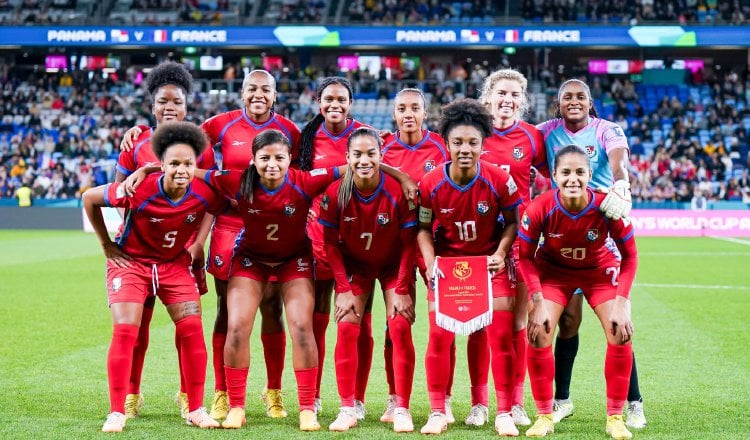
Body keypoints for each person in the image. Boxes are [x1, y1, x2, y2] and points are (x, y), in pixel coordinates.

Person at [122, 69, 302, 420]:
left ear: (276, 95)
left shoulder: (292, 131)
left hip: (276, 227)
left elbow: (310, 167)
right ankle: (220, 391)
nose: (258, 95)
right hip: (230, 225)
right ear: (242, 92)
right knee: (225, 309)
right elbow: (174, 141)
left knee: (272, 310)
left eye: (266, 89)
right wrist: (141, 130)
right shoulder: (219, 125)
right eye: (252, 89)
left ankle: (274, 391)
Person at [84, 122, 226, 433]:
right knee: (126, 331)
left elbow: (218, 206)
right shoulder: (139, 189)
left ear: (195, 166)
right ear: (161, 165)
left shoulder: (203, 193)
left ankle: (196, 409)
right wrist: (107, 244)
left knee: (191, 329)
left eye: (188, 164)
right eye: (174, 164)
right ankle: (117, 412)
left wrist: (198, 243)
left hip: (173, 265)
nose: (181, 170)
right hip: (131, 264)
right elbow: (89, 199)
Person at [536, 78, 646, 429]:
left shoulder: (606, 130)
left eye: (580, 96)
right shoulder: (545, 132)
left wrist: (620, 183)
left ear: (589, 101)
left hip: (603, 225)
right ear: (557, 102)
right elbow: (515, 145)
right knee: (567, 320)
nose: (574, 101)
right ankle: (562, 399)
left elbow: (618, 160)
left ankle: (633, 402)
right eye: (566, 96)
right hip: (562, 226)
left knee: (617, 322)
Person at [518, 144, 637, 440]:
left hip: (598, 271)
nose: (573, 179)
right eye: (566, 172)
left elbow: (631, 256)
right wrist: (536, 300)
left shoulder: (608, 207)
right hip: (555, 273)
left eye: (580, 172)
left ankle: (615, 417)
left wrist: (622, 302)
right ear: (554, 175)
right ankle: (545, 414)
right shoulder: (540, 208)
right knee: (539, 331)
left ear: (590, 174)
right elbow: (525, 257)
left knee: (620, 330)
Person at [417, 98, 521, 436]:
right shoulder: (430, 184)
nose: (465, 149)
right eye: (458, 142)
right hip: (448, 268)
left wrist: (502, 253)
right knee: (438, 336)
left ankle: (498, 410)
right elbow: (421, 228)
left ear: (482, 144)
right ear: (446, 143)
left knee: (498, 336)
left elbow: (512, 222)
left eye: (472, 143)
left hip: (489, 267)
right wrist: (431, 263)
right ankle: (437, 410)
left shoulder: (499, 181)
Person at [114, 60, 204, 419]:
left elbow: (210, 197)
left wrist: (198, 242)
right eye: (163, 101)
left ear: (187, 105)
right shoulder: (135, 142)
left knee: (187, 328)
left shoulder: (200, 144)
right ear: (152, 106)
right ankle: (131, 395)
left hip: (178, 255)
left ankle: (188, 396)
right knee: (138, 328)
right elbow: (120, 192)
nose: (170, 107)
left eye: (177, 101)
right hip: (138, 254)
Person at [463, 68, 548, 427]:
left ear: (522, 101)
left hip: (519, 242)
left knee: (516, 323)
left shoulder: (531, 137)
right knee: (477, 323)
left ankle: (514, 402)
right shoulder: (471, 134)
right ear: (488, 97)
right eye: (501, 93)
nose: (508, 100)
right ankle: (479, 403)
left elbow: (552, 176)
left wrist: (537, 194)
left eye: (515, 95)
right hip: (476, 241)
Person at [319, 128, 418, 433]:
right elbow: (330, 245)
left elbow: (409, 243)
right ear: (347, 157)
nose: (364, 160)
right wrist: (344, 289)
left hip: (392, 265)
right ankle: (348, 407)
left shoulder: (398, 192)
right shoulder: (335, 193)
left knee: (400, 325)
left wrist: (402, 289)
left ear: (380, 155)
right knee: (347, 325)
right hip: (355, 266)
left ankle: (401, 407)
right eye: (357, 154)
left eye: (370, 153)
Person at [298, 77, 372, 417]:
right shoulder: (307, 138)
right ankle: (311, 395)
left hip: (358, 240)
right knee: (317, 317)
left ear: (351, 102)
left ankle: (356, 398)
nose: (335, 104)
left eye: (341, 99)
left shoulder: (365, 136)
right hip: (317, 237)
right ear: (319, 102)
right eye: (329, 99)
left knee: (359, 320)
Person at [379, 87, 449, 424]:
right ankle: (395, 399)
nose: (408, 114)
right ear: (394, 113)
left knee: (443, 324)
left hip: (436, 245)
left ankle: (445, 399)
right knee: (396, 324)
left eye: (415, 108)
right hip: (395, 248)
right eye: (402, 108)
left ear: (425, 112)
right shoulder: (384, 149)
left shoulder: (440, 146)